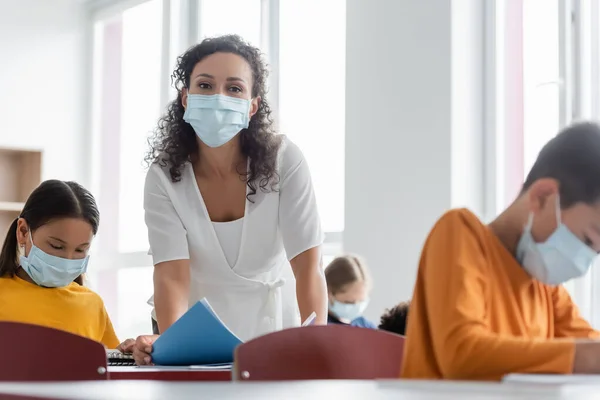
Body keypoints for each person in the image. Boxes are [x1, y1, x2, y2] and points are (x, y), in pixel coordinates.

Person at [127, 35, 326, 365]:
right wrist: (176, 351)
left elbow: (308, 267)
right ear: (186, 98)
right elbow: (171, 277)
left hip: (276, 331)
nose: (218, 97)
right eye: (205, 85)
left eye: (234, 88)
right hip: (196, 337)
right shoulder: (164, 176)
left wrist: (318, 348)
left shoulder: (285, 160)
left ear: (252, 106)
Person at [401, 122, 600, 381]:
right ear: (542, 196)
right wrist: (582, 357)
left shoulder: (545, 285)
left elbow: (591, 346)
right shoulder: (461, 234)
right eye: (587, 239)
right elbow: (462, 354)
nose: (585, 262)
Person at [0, 180, 120, 349]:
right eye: (57, 246)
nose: (67, 260)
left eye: (80, 250)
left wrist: (131, 353)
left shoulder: (92, 305)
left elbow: (108, 366)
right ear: (23, 232)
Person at [325, 255, 376, 328]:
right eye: (349, 302)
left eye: (361, 302)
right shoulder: (319, 326)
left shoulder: (367, 327)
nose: (356, 307)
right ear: (328, 293)